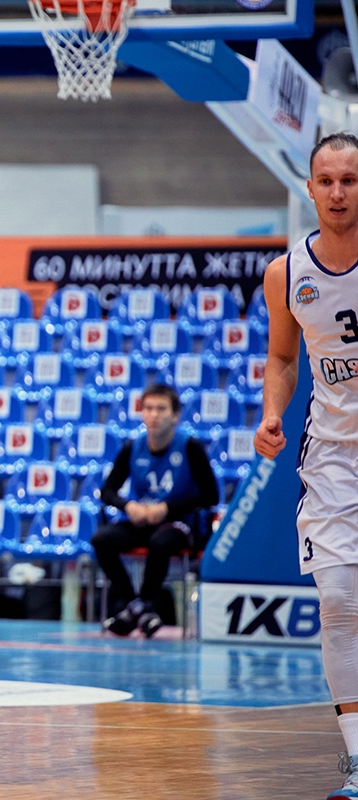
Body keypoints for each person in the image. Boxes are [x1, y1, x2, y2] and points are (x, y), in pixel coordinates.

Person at [255, 131, 358, 800]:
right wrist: (272, 412)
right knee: (340, 602)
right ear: (310, 187)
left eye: (350, 179)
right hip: (334, 457)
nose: (338, 192)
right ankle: (357, 761)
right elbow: (283, 358)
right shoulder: (286, 273)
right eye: (327, 180)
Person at [94, 382, 219, 638]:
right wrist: (128, 506)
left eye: (161, 409)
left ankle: (138, 608)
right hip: (142, 521)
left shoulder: (190, 447)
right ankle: (138, 607)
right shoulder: (132, 447)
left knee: (160, 543)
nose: (153, 415)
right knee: (101, 540)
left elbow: (211, 495)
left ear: (175, 415)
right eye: (148, 408)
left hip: (179, 523)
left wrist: (167, 508)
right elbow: (107, 491)